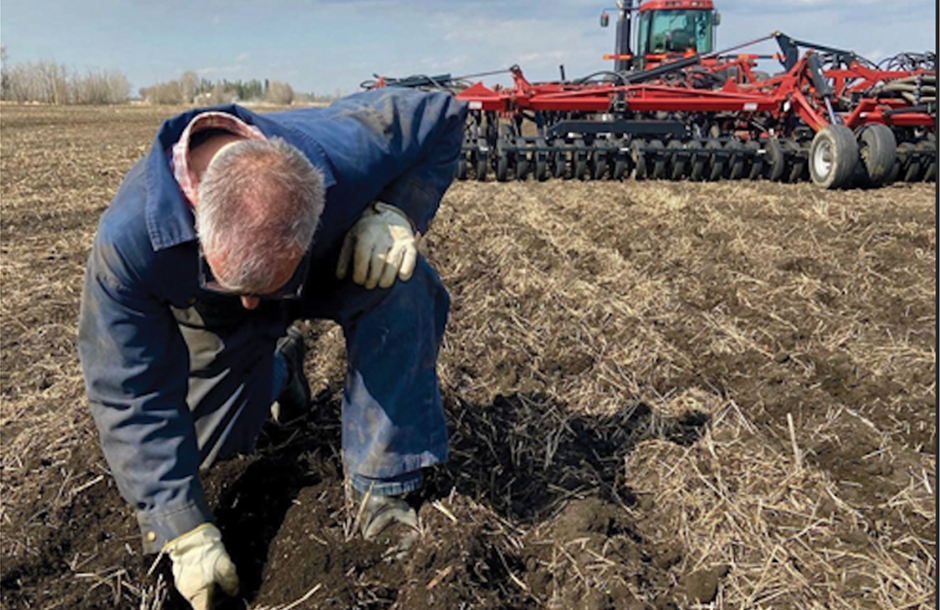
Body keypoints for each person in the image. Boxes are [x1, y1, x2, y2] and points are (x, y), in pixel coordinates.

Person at [77, 88, 467, 610]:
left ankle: (384, 485)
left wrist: (398, 209)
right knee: (211, 456)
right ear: (199, 225)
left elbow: (443, 114)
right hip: (212, 307)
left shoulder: (348, 149)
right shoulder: (131, 244)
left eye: (265, 291)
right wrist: (180, 526)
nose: (254, 302)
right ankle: (284, 368)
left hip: (333, 263)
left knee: (403, 281)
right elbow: (129, 388)